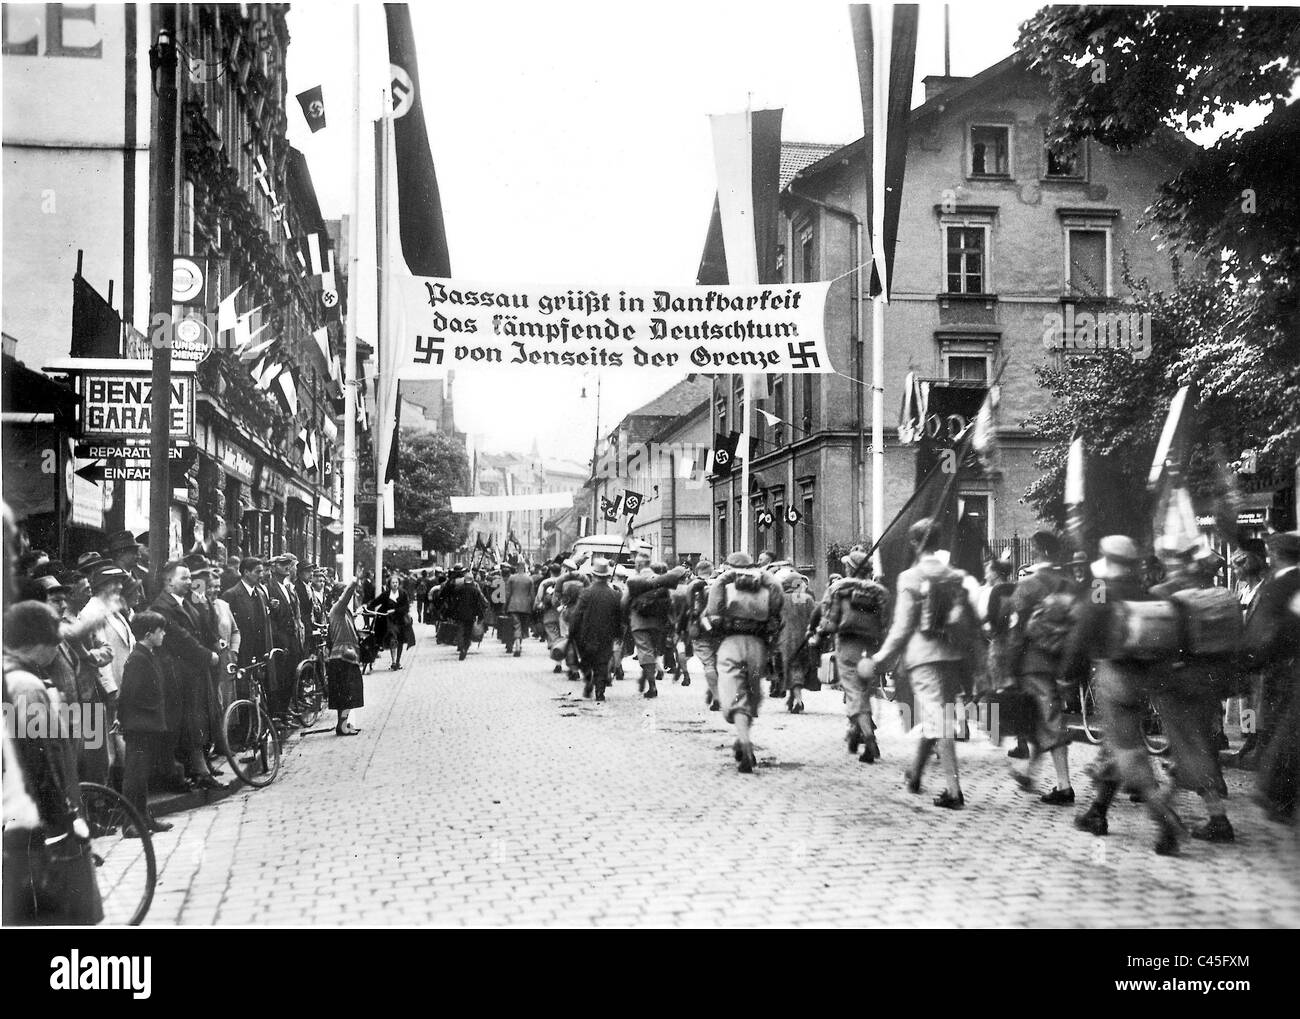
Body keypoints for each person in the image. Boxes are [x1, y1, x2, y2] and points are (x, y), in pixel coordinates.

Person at [1065, 536, 1185, 854]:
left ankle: (1163, 815)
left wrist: (1068, 673)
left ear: (1107, 559)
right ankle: (1097, 812)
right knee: (1115, 744)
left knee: (1127, 750)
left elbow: (1082, 632)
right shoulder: (1142, 590)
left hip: (1112, 675)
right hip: (1142, 679)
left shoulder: (1102, 589)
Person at [861, 518, 976, 808]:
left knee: (939, 721)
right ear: (938, 541)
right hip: (952, 655)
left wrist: (879, 659)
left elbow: (902, 627)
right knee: (937, 716)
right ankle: (914, 774)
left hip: (923, 657)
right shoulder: (954, 575)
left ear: (914, 543)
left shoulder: (910, 577)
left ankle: (953, 790)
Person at [2, 601, 104, 925]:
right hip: (41, 817)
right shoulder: (28, 688)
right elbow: (39, 760)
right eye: (53, 643)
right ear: (37, 644)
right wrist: (63, 818)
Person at [1148, 544, 1238, 842]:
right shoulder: (1216, 596)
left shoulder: (1165, 595)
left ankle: (1217, 818)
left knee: (1190, 745)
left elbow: (1155, 642)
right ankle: (1170, 798)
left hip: (1177, 683)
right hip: (1209, 681)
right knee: (1192, 743)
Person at [1005, 529, 1079, 803]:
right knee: (1041, 718)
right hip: (1064, 660)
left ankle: (1064, 786)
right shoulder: (1070, 584)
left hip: (1035, 662)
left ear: (1036, 551)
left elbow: (1016, 632)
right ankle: (1030, 772)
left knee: (1049, 720)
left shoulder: (1029, 586)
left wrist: (1010, 668)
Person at [704, 553, 784, 773]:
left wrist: (724, 578)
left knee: (734, 694)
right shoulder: (765, 588)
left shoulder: (724, 585)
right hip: (757, 646)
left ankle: (745, 744)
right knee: (751, 693)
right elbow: (778, 605)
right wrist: (765, 576)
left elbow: (712, 612)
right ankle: (743, 737)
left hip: (730, 644)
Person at [1241, 530, 1300, 810]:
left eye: (1243, 565)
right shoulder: (1252, 586)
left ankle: (1253, 740)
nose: (1240, 570)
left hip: (1272, 662)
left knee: (1262, 709)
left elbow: (1269, 626)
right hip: (1267, 659)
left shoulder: (1270, 585)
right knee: (1251, 707)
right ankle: (1249, 738)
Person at [150, 561, 222, 789]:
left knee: (199, 718)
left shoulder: (190, 602)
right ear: (169, 581)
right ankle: (198, 769)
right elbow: (180, 638)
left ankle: (200, 766)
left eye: (191, 578)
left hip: (195, 671)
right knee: (190, 722)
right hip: (180, 672)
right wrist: (207, 655)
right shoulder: (162, 607)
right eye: (184, 578)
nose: (190, 582)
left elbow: (205, 624)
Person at [817, 550, 891, 762]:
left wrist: (819, 634)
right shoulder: (879, 592)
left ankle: (869, 739)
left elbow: (829, 622)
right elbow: (886, 623)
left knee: (853, 692)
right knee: (865, 691)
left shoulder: (839, 589)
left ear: (849, 568)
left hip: (848, 646)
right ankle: (855, 729)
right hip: (871, 648)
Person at [117, 612, 176, 835]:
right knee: (134, 776)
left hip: (147, 723)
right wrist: (125, 720)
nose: (164, 634)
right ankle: (130, 824)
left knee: (142, 776)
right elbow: (128, 694)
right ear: (149, 634)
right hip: (139, 725)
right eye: (160, 631)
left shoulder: (148, 654)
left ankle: (144, 818)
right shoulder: (137, 658)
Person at [624, 553, 687, 700]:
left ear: (638, 565)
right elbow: (669, 603)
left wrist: (625, 618)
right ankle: (652, 674)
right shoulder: (662, 581)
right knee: (652, 651)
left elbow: (623, 602)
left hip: (638, 622)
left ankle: (652, 685)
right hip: (658, 623)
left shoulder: (634, 581)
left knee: (644, 652)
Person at [568, 558, 624, 701]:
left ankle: (588, 681)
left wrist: (572, 632)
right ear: (606, 576)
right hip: (607, 634)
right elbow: (619, 617)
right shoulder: (614, 595)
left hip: (587, 634)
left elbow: (577, 614)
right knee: (602, 662)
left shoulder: (586, 593)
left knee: (587, 660)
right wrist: (618, 634)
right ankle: (600, 691)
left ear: (593, 575)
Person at [325, 578, 365, 735]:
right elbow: (346, 596)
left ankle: (343, 724)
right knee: (348, 694)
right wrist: (354, 583)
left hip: (344, 657)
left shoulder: (343, 612)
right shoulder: (338, 609)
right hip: (344, 658)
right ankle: (342, 726)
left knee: (346, 695)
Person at [266, 554, 306, 708]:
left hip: (291, 637)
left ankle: (286, 708)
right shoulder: (270, 587)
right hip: (281, 638)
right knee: (281, 676)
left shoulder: (286, 587)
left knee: (291, 674)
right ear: (273, 567)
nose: (287, 567)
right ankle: (280, 711)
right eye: (283, 564)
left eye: (288, 564)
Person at [777, 571, 815, 714]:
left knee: (791, 667)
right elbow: (815, 617)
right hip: (805, 638)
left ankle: (797, 699)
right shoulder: (808, 599)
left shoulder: (781, 599)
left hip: (785, 638)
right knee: (799, 667)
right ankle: (793, 698)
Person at [684, 560, 719, 708]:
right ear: (711, 570)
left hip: (700, 629)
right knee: (721, 663)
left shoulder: (693, 586)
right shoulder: (718, 584)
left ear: (697, 571)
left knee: (709, 664)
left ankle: (717, 696)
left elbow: (690, 609)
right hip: (719, 629)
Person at [440, 564, 490, 660]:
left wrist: (450, 611)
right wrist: (481, 614)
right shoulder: (475, 589)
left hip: (459, 613)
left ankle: (461, 645)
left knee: (460, 629)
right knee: (467, 631)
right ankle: (465, 647)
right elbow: (480, 602)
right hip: (471, 614)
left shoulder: (456, 587)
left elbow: (452, 599)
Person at [366, 572, 412, 670]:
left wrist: (395, 610)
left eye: (396, 582)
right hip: (389, 621)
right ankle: (394, 661)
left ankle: (398, 661)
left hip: (400, 620)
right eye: (393, 583)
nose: (395, 584)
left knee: (400, 640)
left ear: (399, 583)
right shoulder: (386, 594)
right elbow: (376, 601)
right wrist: (368, 608)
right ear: (389, 584)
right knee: (392, 638)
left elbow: (406, 607)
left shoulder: (403, 593)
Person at [505, 563, 536, 657]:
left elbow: (507, 593)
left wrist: (505, 605)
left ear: (517, 568)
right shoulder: (529, 579)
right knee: (523, 626)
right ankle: (519, 644)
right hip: (526, 607)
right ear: (524, 568)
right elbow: (532, 595)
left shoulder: (511, 578)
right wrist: (533, 606)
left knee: (516, 626)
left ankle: (517, 645)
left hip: (513, 605)